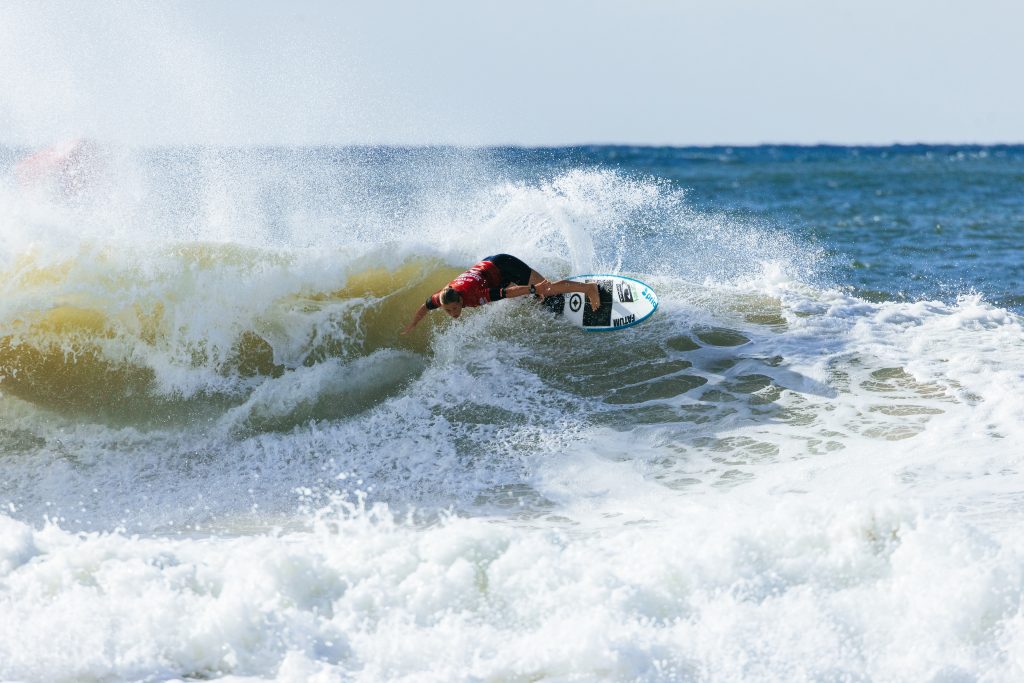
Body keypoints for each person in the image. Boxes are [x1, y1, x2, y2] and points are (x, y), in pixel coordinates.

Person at [401, 253, 601, 334]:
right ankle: (544, 295)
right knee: (537, 300)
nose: (452, 313)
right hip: (489, 268)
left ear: (461, 300)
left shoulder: (473, 296)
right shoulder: (442, 297)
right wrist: (412, 324)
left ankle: (588, 288)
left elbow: (507, 293)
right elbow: (424, 307)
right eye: (448, 311)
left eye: (454, 309)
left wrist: (534, 289)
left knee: (545, 290)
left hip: (503, 265)